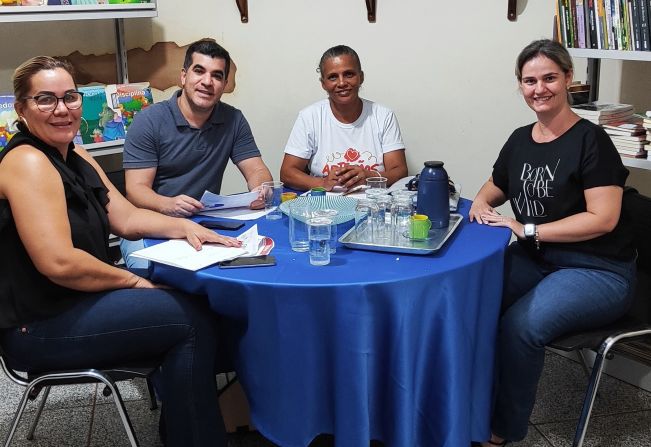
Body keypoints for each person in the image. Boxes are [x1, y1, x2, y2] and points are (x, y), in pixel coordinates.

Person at [0, 56, 241, 447]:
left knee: (204, 313)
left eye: (70, 97)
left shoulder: (74, 155)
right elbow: (59, 263)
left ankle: (187, 430)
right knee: (192, 321)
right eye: (45, 100)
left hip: (75, 302)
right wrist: (132, 282)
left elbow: (126, 218)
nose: (62, 109)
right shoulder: (27, 161)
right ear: (23, 109)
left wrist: (186, 227)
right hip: (40, 325)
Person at [468, 39, 636, 446]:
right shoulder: (520, 138)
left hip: (596, 268)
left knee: (519, 327)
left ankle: (501, 430)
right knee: (471, 301)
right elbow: (495, 186)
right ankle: (467, 405)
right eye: (529, 81)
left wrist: (526, 229)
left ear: (568, 80)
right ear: (520, 86)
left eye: (549, 78)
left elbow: (603, 218)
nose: (539, 88)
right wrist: (480, 202)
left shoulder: (591, 140)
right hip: (538, 258)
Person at [121, 38, 273, 268]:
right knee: (161, 279)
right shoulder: (149, 121)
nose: (207, 82)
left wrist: (261, 189)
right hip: (149, 226)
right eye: (199, 71)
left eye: (217, 75)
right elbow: (135, 190)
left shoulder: (233, 119)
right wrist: (168, 204)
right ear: (184, 76)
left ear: (224, 85)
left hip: (203, 223)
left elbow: (256, 169)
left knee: (247, 266)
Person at [280, 45, 408, 191]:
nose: (341, 83)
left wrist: (369, 177)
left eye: (349, 74)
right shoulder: (309, 117)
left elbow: (400, 172)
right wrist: (322, 183)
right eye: (333, 77)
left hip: (374, 204)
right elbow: (287, 173)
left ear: (361, 77)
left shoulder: (383, 115)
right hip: (324, 206)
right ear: (323, 84)